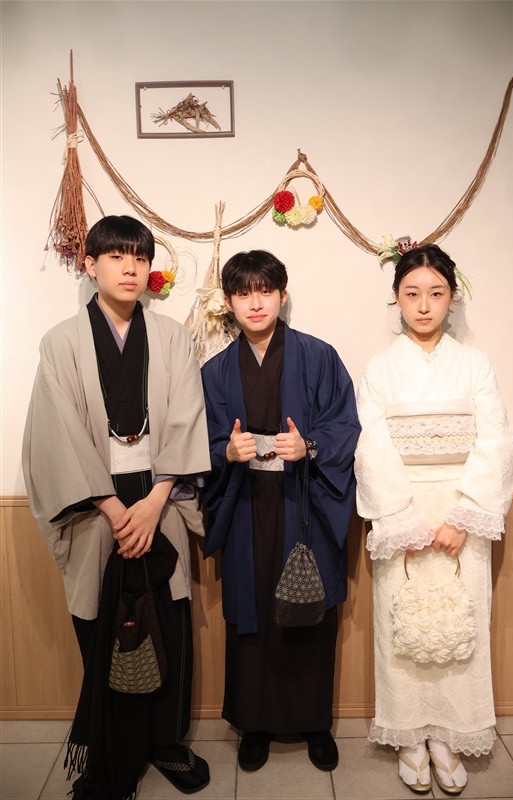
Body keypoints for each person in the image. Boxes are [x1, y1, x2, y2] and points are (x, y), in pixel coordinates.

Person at [22, 216, 212, 800]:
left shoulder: (173, 337)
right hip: (93, 504)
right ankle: (114, 753)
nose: (130, 268)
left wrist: (155, 500)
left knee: (168, 623)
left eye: (140, 258)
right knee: (104, 627)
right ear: (90, 265)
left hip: (160, 494)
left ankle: (166, 741)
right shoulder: (61, 342)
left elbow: (187, 415)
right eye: (116, 257)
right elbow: (57, 431)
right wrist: (111, 506)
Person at [355, 244, 513, 795]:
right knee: (404, 627)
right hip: (402, 513)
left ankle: (449, 734)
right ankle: (408, 737)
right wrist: (401, 521)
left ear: (452, 298)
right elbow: (372, 445)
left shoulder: (474, 364)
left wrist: (464, 516)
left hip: (460, 511)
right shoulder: (380, 368)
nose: (424, 305)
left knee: (459, 626)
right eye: (412, 294)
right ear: (397, 298)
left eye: (436, 293)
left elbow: (496, 440)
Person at [201, 250, 360, 773]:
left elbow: (345, 426)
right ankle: (255, 724)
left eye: (265, 291)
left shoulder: (319, 357)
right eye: (243, 292)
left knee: (307, 607)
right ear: (229, 302)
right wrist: (226, 452)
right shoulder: (215, 371)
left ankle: (314, 723)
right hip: (245, 503)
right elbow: (198, 442)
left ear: (282, 296)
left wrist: (308, 446)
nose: (255, 302)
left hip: (302, 500)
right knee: (250, 615)